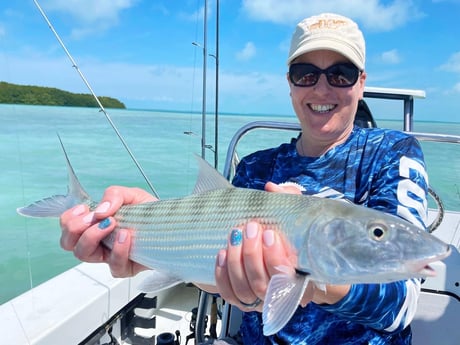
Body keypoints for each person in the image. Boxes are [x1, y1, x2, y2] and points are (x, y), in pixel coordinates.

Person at [60, 13, 429, 344]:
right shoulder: (255, 167)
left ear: (360, 82)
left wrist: (314, 284)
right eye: (305, 73)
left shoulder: (391, 154)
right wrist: (150, 250)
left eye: (340, 74)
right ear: (290, 83)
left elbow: (401, 305)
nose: (321, 88)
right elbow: (214, 268)